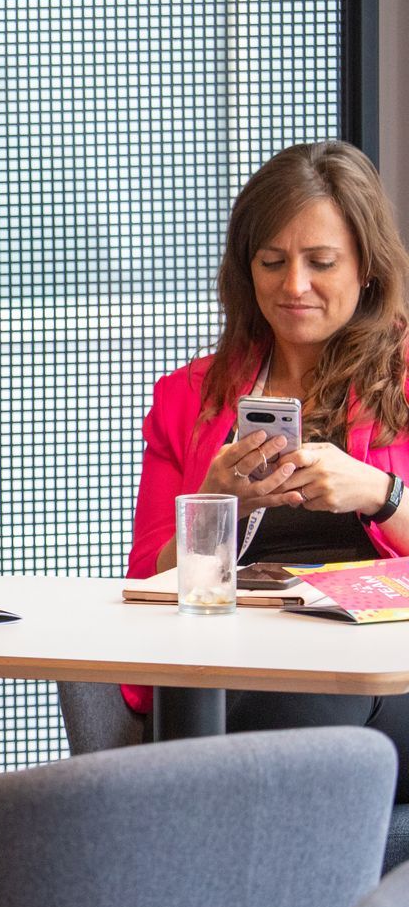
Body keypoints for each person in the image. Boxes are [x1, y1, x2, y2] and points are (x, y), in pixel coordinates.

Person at [125, 141, 409, 789]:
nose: (294, 286)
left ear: (367, 267)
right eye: (272, 262)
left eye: (321, 262)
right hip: (239, 665)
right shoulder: (188, 399)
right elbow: (143, 583)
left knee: (306, 708)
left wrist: (381, 494)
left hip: (381, 671)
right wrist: (214, 507)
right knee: (260, 710)